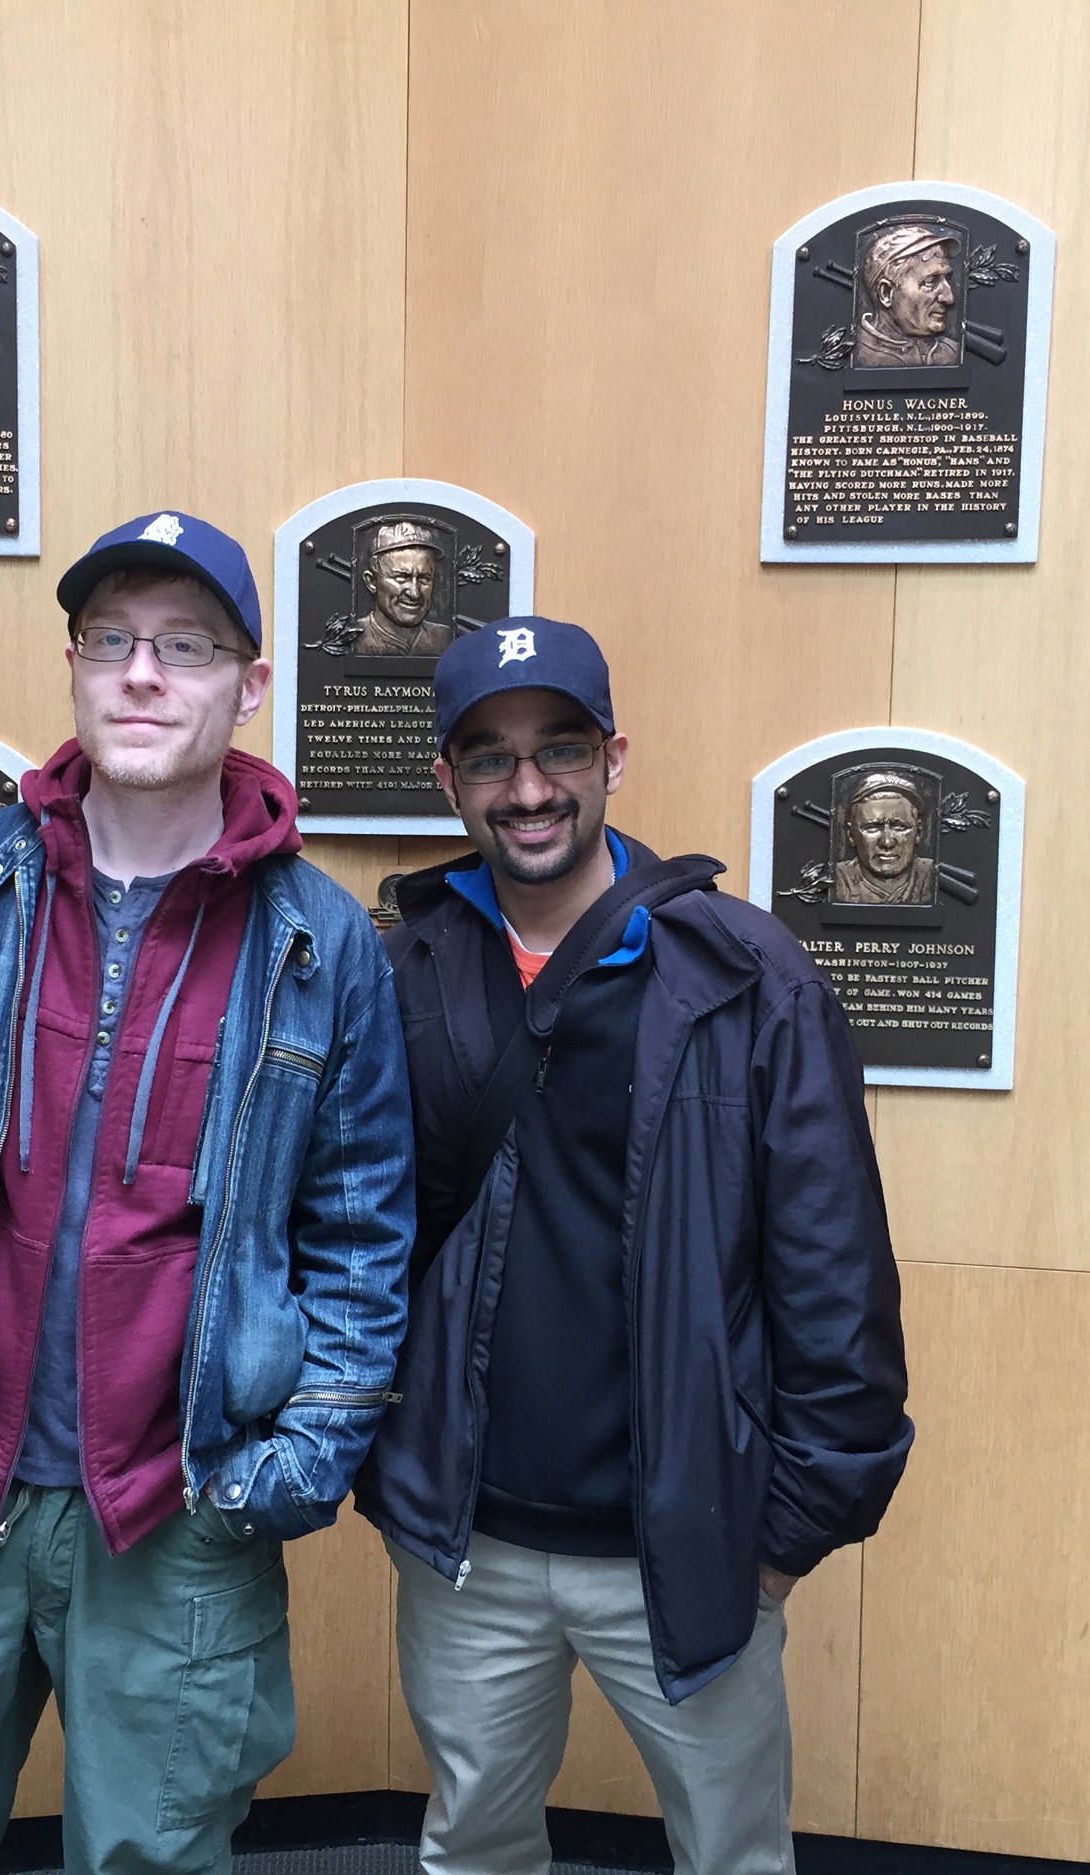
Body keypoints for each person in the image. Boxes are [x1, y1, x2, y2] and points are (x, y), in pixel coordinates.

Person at [0, 510, 414, 1875]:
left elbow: (364, 1237)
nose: (143, 673)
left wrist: (295, 1461)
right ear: (76, 663)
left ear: (248, 684)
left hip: (181, 1500)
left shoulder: (322, 945)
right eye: (114, 640)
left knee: (151, 1854)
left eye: (186, 646)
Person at [360, 617, 913, 1875]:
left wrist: (784, 1539)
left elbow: (836, 1275)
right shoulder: (404, 971)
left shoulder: (746, 976)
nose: (530, 788)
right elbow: (347, 1229)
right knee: (474, 1849)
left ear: (615, 756)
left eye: (559, 749)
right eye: (489, 759)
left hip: (687, 1542)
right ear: (447, 782)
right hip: (468, 1547)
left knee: (731, 1858)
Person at [855, 221, 960, 367]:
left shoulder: (954, 353)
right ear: (886, 293)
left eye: (947, 279)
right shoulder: (856, 353)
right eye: (930, 282)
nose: (949, 298)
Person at [829, 771, 937, 905]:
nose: (887, 842)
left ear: (918, 833)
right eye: (872, 827)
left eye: (900, 827)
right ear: (851, 835)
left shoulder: (933, 877)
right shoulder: (833, 879)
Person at [352, 519, 455, 657]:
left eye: (424, 578)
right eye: (401, 577)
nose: (414, 593)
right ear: (371, 582)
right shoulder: (352, 636)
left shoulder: (445, 638)